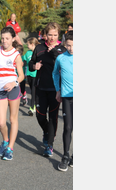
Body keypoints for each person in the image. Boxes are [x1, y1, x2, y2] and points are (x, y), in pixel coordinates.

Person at [28, 22, 67, 157]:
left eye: (55, 35)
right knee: (40, 115)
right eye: (49, 34)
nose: (52, 37)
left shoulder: (62, 49)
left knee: (53, 117)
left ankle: (49, 144)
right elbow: (30, 64)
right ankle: (47, 132)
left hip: (56, 89)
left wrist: (54, 52)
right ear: (45, 35)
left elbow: (63, 66)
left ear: (59, 35)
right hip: (41, 87)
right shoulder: (39, 48)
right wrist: (34, 66)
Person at [0, 27, 24, 161]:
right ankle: (5, 140)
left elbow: (21, 76)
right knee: (1, 122)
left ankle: (10, 148)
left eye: (7, 38)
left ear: (13, 39)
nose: (4, 41)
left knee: (12, 119)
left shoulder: (16, 55)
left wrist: (14, 82)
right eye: (2, 38)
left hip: (13, 89)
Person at [52, 30, 73, 172]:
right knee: (68, 127)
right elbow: (55, 74)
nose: (70, 48)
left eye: (72, 45)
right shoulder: (61, 58)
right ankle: (65, 156)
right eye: (68, 45)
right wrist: (58, 90)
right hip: (66, 96)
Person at [24, 37, 40, 116]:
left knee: (33, 91)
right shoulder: (27, 53)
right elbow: (24, 61)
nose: (27, 45)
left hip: (36, 75)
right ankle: (36, 104)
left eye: (28, 44)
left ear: (32, 44)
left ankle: (31, 107)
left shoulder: (38, 53)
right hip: (29, 75)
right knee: (32, 90)